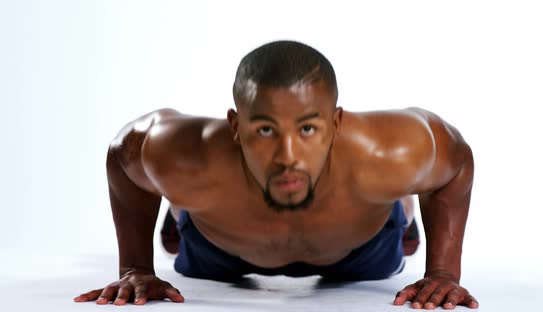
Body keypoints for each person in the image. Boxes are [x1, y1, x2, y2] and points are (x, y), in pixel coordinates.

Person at [74, 40, 478, 310]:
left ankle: (399, 208)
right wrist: (136, 268)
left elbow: (455, 164)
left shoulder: (393, 149)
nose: (288, 156)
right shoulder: (181, 152)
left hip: (362, 249)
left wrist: (442, 273)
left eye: (307, 129)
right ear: (235, 125)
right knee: (188, 193)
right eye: (265, 130)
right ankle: (181, 212)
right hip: (218, 249)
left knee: (390, 191)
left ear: (336, 123)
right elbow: (122, 158)